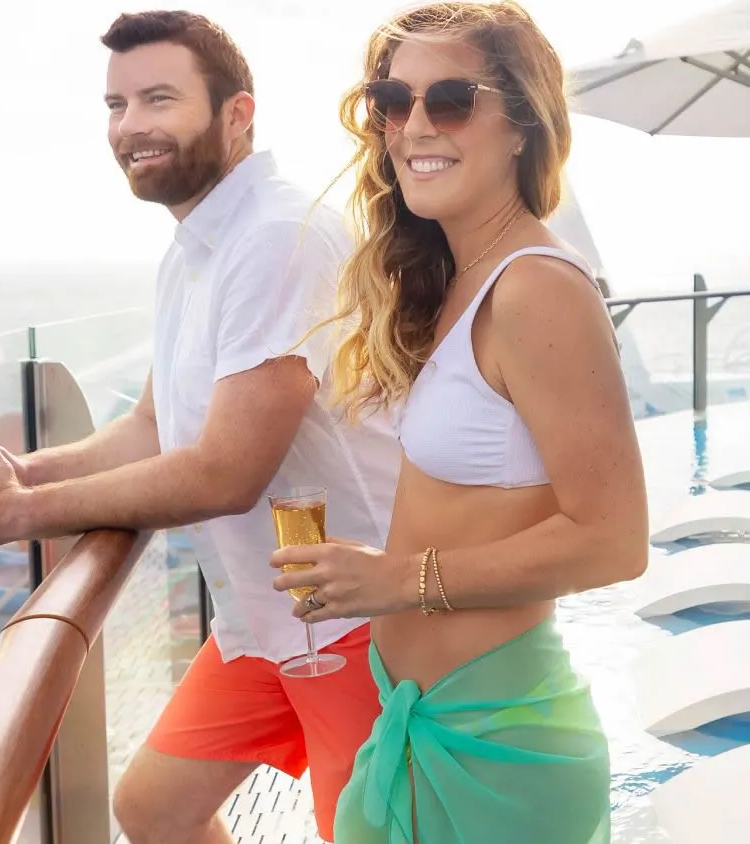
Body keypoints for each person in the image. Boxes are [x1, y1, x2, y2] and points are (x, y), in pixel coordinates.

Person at [0, 11, 401, 843]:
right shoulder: (196, 248)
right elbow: (151, 428)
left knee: (366, 834)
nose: (130, 127)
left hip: (350, 616)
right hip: (269, 615)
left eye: (158, 99)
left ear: (238, 113)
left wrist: (17, 516)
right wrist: (22, 475)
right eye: (116, 105)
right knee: (155, 810)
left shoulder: (276, 236)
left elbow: (224, 471)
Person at [268, 3, 648, 842]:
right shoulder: (460, 284)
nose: (412, 126)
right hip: (418, 722)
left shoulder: (538, 289)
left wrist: (396, 582)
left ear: (521, 123)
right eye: (391, 101)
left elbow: (615, 540)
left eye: (449, 98)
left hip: (498, 751)